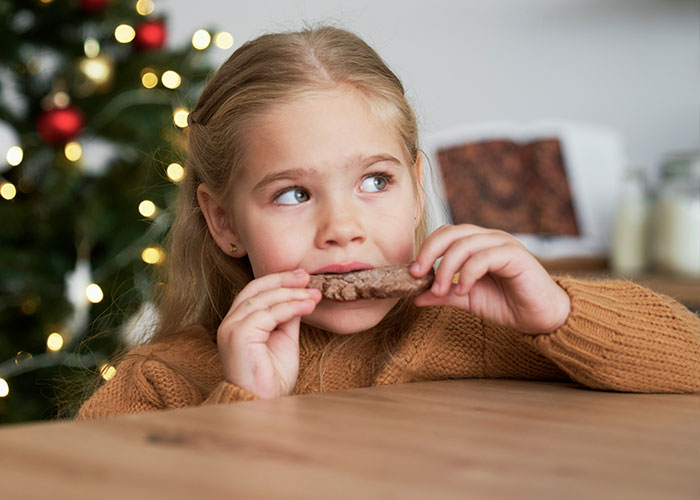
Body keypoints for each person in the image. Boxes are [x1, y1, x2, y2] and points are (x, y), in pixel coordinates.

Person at [77, 25, 700, 418]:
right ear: (223, 222)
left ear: (416, 182)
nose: (343, 228)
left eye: (376, 182)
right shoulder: (164, 383)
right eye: (293, 194)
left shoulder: (477, 331)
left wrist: (558, 312)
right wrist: (245, 409)